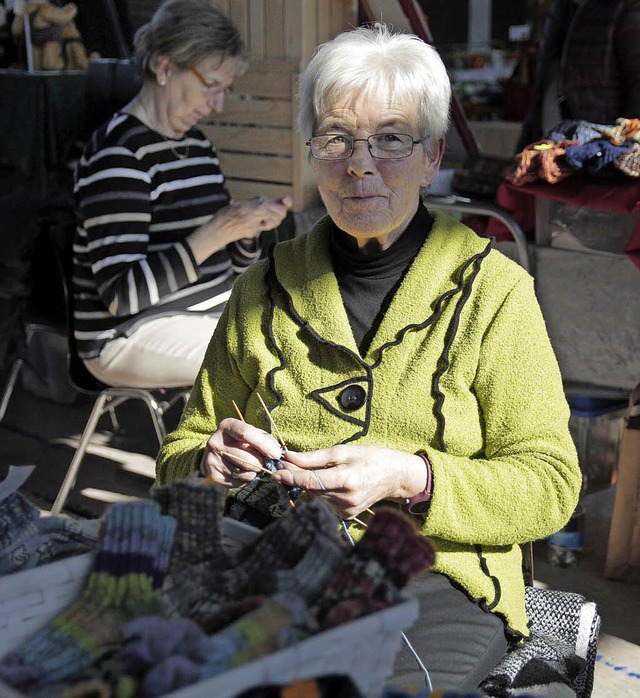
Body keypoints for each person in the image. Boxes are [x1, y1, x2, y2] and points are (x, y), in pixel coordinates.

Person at [156, 24, 581, 692]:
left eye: (390, 138)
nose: (360, 164)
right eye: (335, 138)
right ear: (311, 153)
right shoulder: (261, 290)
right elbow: (179, 452)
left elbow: (552, 485)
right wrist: (209, 464)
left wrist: (414, 477)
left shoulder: (493, 293)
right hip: (276, 561)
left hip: (436, 581)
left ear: (431, 153)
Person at [73, 0, 291, 389]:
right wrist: (212, 235)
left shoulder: (197, 146)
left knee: (316, 335)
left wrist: (245, 231)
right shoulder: (118, 156)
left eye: (225, 90)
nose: (218, 105)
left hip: (208, 312)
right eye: (211, 86)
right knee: (266, 361)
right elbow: (121, 297)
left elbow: (234, 268)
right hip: (126, 335)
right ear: (164, 67)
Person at [517, 0, 640, 151]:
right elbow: (545, 81)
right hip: (556, 146)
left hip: (600, 152)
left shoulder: (625, 7)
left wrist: (621, 149)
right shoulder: (563, 8)